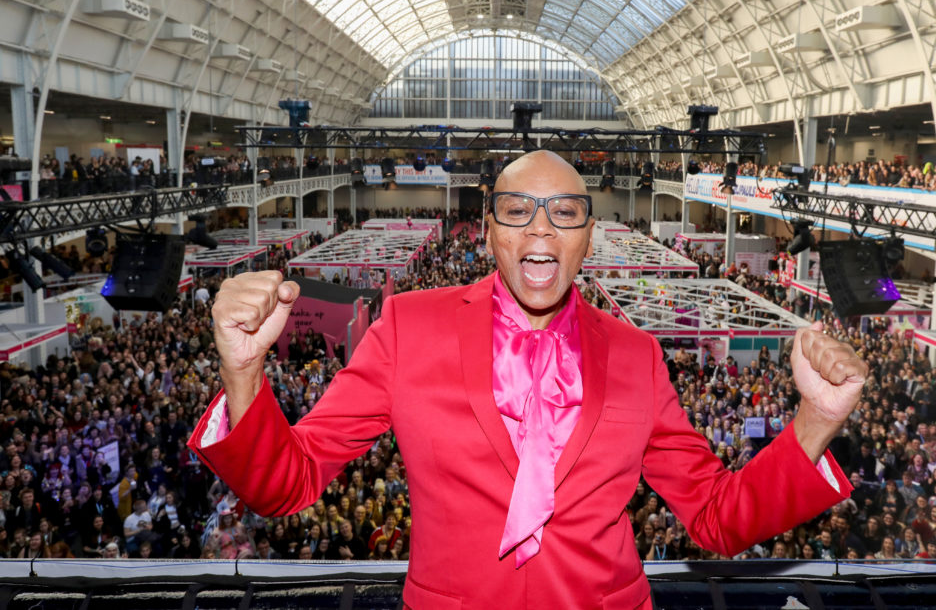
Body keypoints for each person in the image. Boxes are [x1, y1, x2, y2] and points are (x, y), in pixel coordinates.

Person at [189, 151, 865, 608]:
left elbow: (718, 518)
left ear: (589, 235)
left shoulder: (636, 354)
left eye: (564, 212)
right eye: (517, 210)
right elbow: (287, 483)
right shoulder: (406, 326)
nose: (541, 229)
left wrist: (816, 419)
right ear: (488, 232)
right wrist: (243, 369)